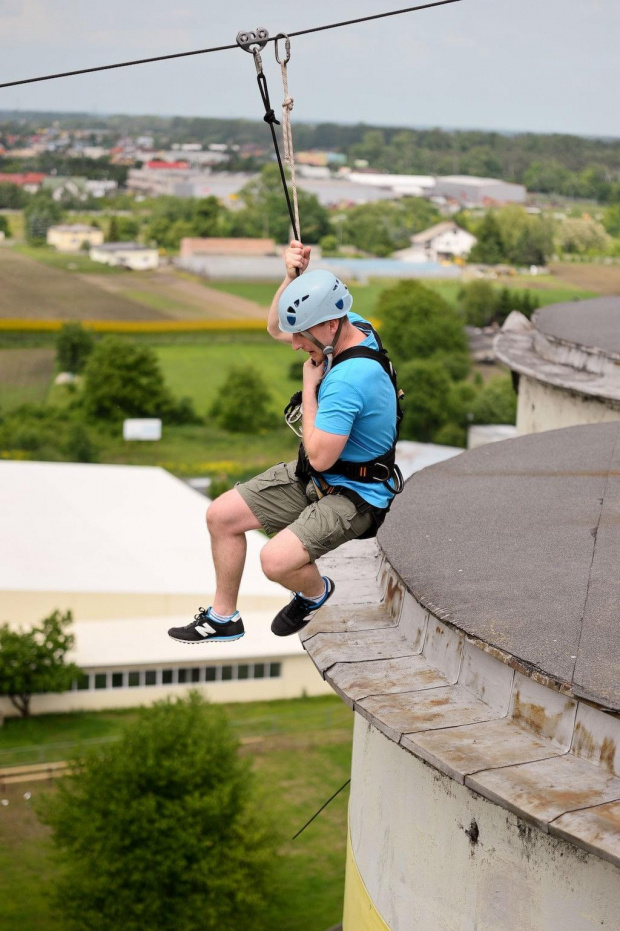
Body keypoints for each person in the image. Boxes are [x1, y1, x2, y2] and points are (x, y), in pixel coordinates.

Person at [168, 240, 401, 645]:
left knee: (274, 560)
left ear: (329, 325)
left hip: (357, 493)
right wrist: (290, 279)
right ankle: (224, 618)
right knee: (221, 516)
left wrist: (309, 389)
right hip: (318, 477)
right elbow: (276, 327)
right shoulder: (352, 324)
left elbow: (321, 456)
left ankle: (315, 593)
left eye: (303, 336)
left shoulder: (348, 379)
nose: (294, 344)